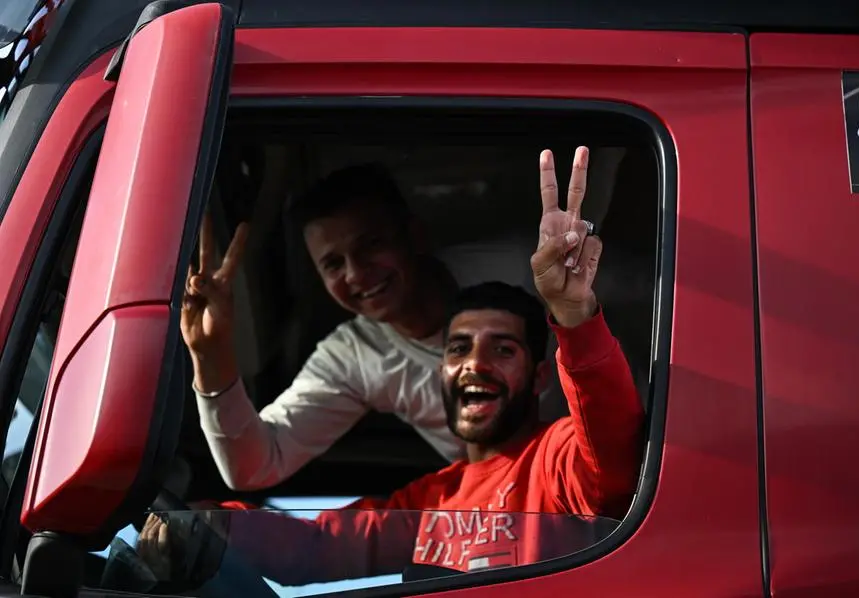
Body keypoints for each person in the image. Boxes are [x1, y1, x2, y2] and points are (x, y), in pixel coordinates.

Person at [142, 147, 645, 584]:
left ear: (541, 371)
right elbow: (314, 545)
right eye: (457, 348)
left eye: (503, 349)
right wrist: (214, 524)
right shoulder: (432, 500)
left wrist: (573, 312)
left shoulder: (558, 459)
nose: (474, 364)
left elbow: (611, 442)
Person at [183, 162, 541, 491]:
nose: (356, 274)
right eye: (333, 264)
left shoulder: (525, 267)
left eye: (370, 246)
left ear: (414, 236)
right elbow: (254, 466)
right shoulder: (355, 355)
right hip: (508, 507)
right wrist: (211, 357)